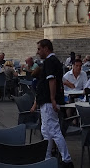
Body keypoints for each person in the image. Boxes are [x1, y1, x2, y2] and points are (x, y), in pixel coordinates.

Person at [31, 39, 73, 168]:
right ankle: (47, 156)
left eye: (39, 49)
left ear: (46, 48)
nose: (38, 52)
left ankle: (66, 159)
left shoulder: (50, 61)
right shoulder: (53, 61)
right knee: (46, 130)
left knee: (54, 130)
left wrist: (53, 99)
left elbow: (52, 81)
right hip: (47, 101)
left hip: (49, 102)